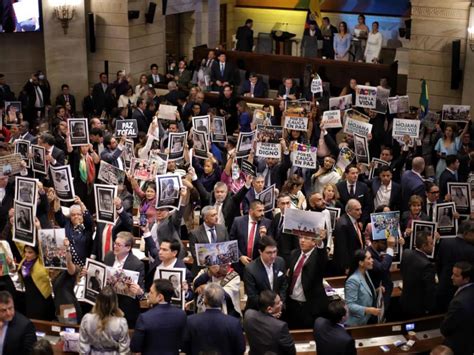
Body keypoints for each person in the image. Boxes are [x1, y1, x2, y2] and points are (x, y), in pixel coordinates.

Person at [183, 283, 245, 355]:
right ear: (222, 300)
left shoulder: (190, 321)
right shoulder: (234, 323)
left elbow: (185, 347)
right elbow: (240, 349)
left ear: (205, 299)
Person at [130, 279, 187, 355]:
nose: (148, 295)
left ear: (160, 297)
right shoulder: (181, 315)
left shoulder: (144, 317)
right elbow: (184, 342)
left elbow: (135, 347)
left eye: (151, 292)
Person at [286, 233, 328, 329]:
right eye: (300, 237)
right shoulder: (294, 253)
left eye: (306, 238)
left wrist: (320, 242)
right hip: (293, 304)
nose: (302, 240)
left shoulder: (317, 256)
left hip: (310, 307)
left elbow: (322, 255)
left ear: (314, 242)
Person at [103, 232, 145, 328]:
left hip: (126, 309)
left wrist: (139, 291)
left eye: (118, 245)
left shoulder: (137, 264)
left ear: (128, 248)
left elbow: (141, 293)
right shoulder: (109, 256)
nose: (115, 246)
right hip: (108, 305)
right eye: (115, 243)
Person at [79, 286, 130, 354]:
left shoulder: (87, 319)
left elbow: (83, 348)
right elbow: (124, 351)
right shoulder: (121, 322)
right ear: (115, 303)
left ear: (97, 301)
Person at [436, 221, 474, 312]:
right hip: (462, 293)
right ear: (466, 233)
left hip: (443, 287)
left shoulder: (445, 242)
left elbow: (438, 265)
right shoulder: (471, 250)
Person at [243, 290, 295, 355]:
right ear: (269, 309)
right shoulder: (280, 326)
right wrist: (272, 319)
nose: (281, 303)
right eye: (278, 303)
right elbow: (291, 351)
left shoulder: (248, 315)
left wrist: (270, 317)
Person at [243, 236, 288, 311]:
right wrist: (270, 309)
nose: (273, 256)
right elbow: (253, 296)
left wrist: (280, 304)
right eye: (269, 253)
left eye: (275, 252)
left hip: (278, 309)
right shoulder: (250, 269)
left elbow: (283, 285)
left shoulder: (280, 262)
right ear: (260, 252)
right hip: (259, 311)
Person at [400, 231, 437, 318]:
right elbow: (430, 291)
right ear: (424, 246)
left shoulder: (406, 253)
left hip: (404, 301)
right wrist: (429, 309)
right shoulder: (427, 265)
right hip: (418, 308)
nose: (433, 245)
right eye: (431, 243)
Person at [440, 261, 474, 355]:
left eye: (456, 275)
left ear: (466, 279)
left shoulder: (459, 303)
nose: (451, 277)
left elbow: (446, 327)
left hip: (459, 344)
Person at [230, 200, 272, 272]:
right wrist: (240, 256)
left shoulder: (267, 223)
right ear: (251, 211)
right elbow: (232, 241)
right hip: (240, 264)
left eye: (263, 210)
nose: (262, 213)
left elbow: (270, 245)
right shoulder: (238, 221)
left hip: (258, 265)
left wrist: (264, 237)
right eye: (259, 211)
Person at [344, 249, 382, 326]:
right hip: (358, 323)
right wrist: (368, 310)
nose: (372, 260)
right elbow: (350, 305)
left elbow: (364, 291)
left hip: (368, 319)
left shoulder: (366, 273)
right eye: (369, 258)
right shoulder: (353, 280)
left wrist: (376, 290)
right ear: (361, 263)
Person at [18, 244, 55, 320]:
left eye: (30, 252)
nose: (27, 255)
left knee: (42, 325)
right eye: (25, 252)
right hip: (29, 299)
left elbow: (42, 248)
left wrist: (38, 233)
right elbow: (18, 243)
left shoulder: (41, 262)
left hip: (42, 299)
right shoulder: (24, 260)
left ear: (37, 253)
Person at [333, 199, 365, 274]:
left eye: (360, 209)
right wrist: (346, 266)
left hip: (355, 262)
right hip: (347, 266)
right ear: (349, 211)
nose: (360, 212)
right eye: (357, 210)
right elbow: (342, 248)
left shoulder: (353, 220)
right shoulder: (343, 225)